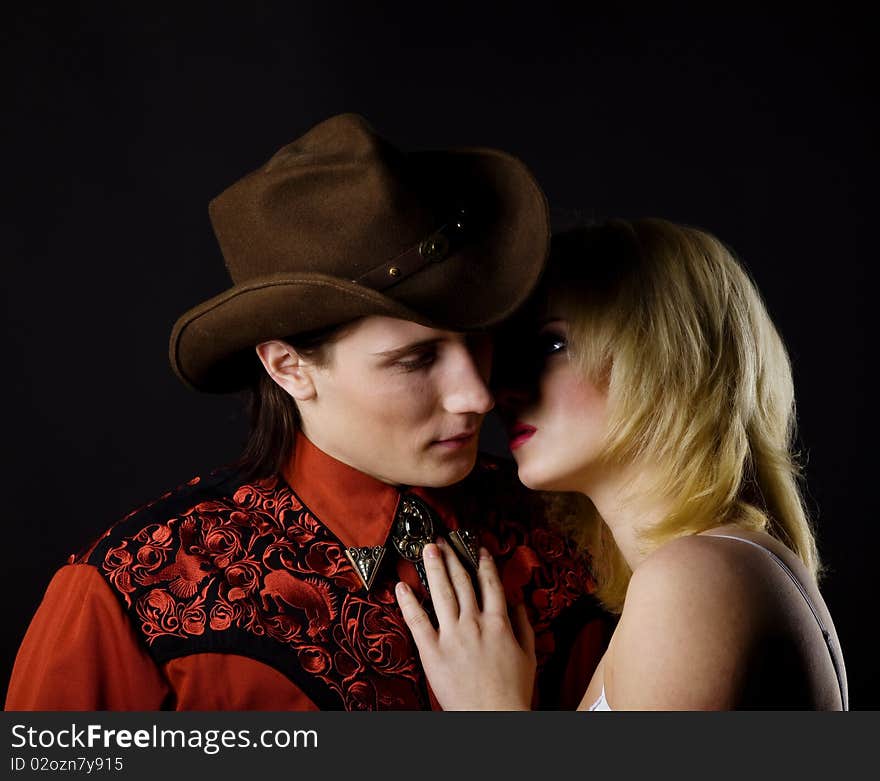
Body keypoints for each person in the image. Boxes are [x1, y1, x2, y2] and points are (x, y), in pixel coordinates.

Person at [5, 114, 608, 711]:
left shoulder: (564, 535)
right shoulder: (131, 596)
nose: (477, 394)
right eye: (416, 360)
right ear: (289, 367)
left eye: (477, 338)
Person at [396, 218, 849, 710]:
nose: (500, 391)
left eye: (552, 345)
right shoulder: (714, 570)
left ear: (668, 352)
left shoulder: (694, 578)